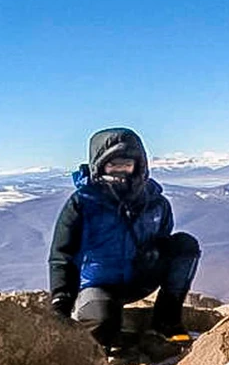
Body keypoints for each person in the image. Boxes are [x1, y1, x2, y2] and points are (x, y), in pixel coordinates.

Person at [48, 127, 200, 351]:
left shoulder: (155, 202)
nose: (120, 171)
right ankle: (102, 329)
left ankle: (166, 321)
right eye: (113, 164)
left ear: (138, 165)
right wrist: (61, 304)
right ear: (99, 165)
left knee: (184, 245)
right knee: (102, 327)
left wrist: (150, 256)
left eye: (126, 164)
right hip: (98, 283)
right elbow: (63, 256)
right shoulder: (82, 203)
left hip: (139, 278)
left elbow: (163, 239)